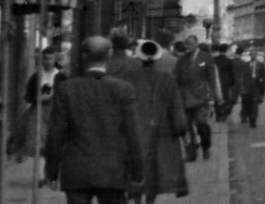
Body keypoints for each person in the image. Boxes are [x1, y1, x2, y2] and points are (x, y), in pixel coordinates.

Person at [44, 36, 144, 204]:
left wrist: (52, 173)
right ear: (109, 55)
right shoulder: (123, 90)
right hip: (113, 170)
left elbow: (56, 134)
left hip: (76, 170)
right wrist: (138, 173)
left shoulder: (67, 89)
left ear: (83, 56)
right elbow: (133, 134)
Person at [119, 40, 189, 204]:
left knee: (134, 170)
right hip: (160, 133)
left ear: (139, 57)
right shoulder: (167, 79)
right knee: (155, 172)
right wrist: (181, 130)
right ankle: (150, 202)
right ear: (157, 58)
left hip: (133, 132)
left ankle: (136, 200)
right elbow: (176, 108)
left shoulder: (127, 78)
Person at [8, 47, 65, 168]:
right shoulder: (36, 77)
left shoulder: (60, 77)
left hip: (55, 111)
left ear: (54, 59)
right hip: (39, 111)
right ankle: (40, 173)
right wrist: (39, 98)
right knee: (35, 139)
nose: (47, 61)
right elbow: (28, 96)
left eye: (50, 59)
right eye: (45, 59)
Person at [173, 35, 220, 162]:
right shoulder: (181, 60)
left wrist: (212, 98)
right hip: (185, 99)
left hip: (200, 99)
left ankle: (206, 147)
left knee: (201, 124)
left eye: (190, 44)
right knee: (187, 128)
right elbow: (175, 79)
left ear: (196, 44)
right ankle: (191, 154)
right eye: (186, 44)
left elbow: (212, 79)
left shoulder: (206, 57)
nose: (188, 47)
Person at [238, 50, 265, 128]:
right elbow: (242, 77)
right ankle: (245, 116)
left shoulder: (260, 65)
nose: (253, 56)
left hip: (256, 87)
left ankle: (253, 120)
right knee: (246, 104)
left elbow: (264, 77)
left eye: (254, 54)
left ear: (256, 55)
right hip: (247, 87)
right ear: (250, 55)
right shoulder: (245, 65)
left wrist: (263, 88)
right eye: (252, 54)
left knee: (254, 104)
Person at [213, 43, 235, 121]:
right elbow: (232, 73)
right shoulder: (229, 61)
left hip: (216, 82)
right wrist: (232, 83)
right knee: (224, 98)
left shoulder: (214, 59)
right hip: (225, 83)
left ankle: (218, 114)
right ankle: (223, 114)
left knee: (216, 98)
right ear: (226, 51)